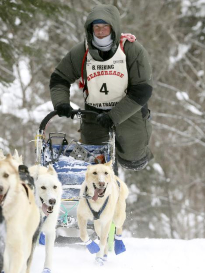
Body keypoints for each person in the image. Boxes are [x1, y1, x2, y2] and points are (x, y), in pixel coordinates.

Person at [49, 4, 153, 171]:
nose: (100, 31)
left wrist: (114, 116)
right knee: (94, 165)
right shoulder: (81, 52)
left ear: (114, 27)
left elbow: (143, 90)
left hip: (128, 111)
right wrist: (61, 103)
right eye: (96, 27)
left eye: (105, 26)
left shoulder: (131, 50)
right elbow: (60, 78)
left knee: (133, 161)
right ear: (90, 29)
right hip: (94, 113)